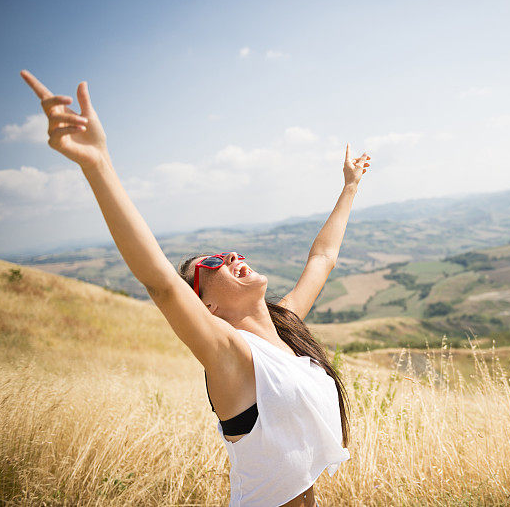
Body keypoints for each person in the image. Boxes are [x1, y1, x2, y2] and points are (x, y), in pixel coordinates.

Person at [20, 70, 371, 507]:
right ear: (205, 303)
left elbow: (322, 259)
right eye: (212, 263)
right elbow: (162, 283)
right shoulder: (231, 357)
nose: (230, 257)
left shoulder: (285, 328)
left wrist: (350, 187)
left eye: (228, 253)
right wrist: (97, 163)